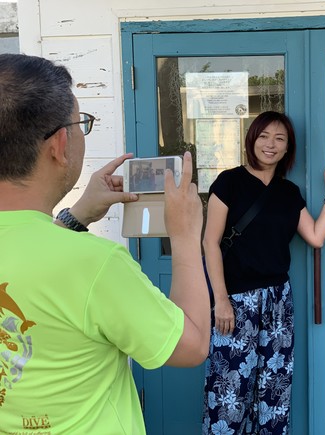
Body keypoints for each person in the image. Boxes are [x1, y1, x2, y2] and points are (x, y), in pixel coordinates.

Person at [0, 54, 210, 433]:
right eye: (81, 123)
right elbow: (191, 346)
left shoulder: (73, 259)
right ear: (60, 145)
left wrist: (76, 215)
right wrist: (184, 235)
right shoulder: (94, 264)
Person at [202, 111, 325, 434]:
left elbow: (315, 236)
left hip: (278, 301)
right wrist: (221, 300)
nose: (270, 144)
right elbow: (210, 243)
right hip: (236, 300)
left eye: (279, 139)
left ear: (287, 149)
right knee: (230, 390)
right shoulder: (229, 183)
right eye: (264, 136)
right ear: (251, 139)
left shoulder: (288, 192)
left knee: (274, 391)